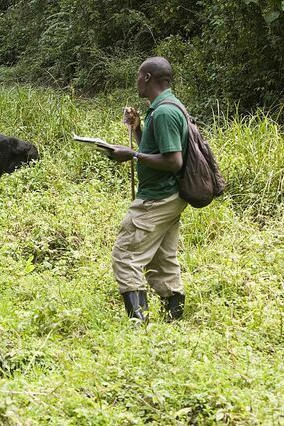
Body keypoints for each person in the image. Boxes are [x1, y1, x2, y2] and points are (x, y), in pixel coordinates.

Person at [107, 56, 188, 323]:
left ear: (148, 78)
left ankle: (138, 324)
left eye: (138, 76)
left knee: (126, 254)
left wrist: (131, 154)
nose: (136, 81)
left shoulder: (164, 112)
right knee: (162, 259)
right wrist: (138, 130)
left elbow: (173, 160)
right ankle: (173, 319)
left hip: (158, 197)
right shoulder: (164, 107)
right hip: (170, 196)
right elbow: (155, 150)